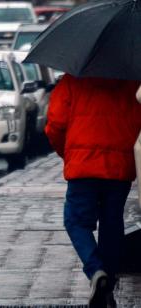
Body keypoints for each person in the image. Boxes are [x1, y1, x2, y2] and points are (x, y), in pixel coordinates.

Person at [45, 74, 141, 307]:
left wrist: (69, 154)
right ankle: (107, 285)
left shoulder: (71, 81)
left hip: (83, 167)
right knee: (112, 225)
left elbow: (55, 126)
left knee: (76, 221)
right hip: (119, 166)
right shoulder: (131, 81)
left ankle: (97, 271)